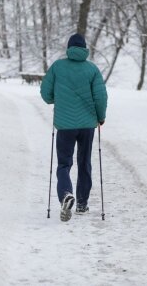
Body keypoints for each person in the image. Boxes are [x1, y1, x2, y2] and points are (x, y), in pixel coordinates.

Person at [40, 33, 108, 222]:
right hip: (87, 125)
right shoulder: (92, 69)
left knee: (64, 164)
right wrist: (101, 117)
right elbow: (100, 97)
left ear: (69, 48)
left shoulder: (57, 67)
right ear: (85, 48)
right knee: (84, 163)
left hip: (65, 125)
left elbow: (46, 93)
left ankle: (66, 195)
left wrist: (57, 99)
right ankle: (81, 204)